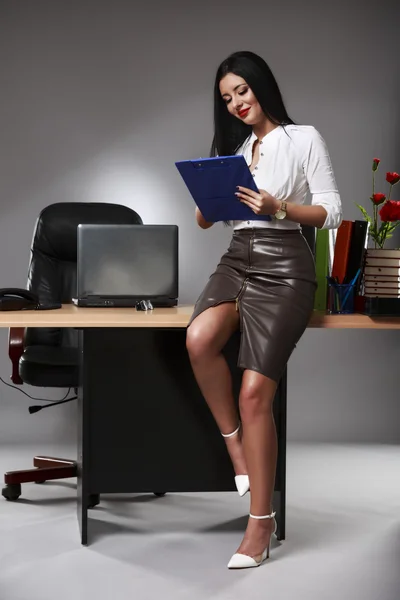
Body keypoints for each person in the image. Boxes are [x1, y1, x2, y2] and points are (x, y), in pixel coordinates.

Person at [186, 50, 342, 570]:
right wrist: (206, 209)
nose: (236, 104)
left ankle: (261, 522)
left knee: (256, 391)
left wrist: (280, 207)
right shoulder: (235, 149)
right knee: (199, 339)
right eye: (227, 98)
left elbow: (331, 211)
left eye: (242, 92)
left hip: (285, 262)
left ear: (262, 87)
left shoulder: (304, 138)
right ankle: (234, 447)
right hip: (237, 258)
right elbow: (214, 220)